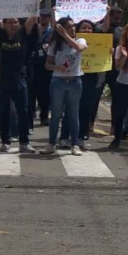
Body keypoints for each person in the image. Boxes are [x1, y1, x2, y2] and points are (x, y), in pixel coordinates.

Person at [43, 17, 88, 155]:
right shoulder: (55, 44)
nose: (72, 29)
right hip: (58, 82)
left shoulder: (80, 40)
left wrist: (65, 35)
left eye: (73, 26)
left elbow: (79, 48)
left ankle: (74, 144)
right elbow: (47, 64)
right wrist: (57, 67)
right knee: (56, 114)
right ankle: (51, 143)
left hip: (75, 81)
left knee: (73, 114)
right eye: (68, 27)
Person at [0, 16, 39, 153]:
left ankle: (24, 142)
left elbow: (32, 18)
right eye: (9, 23)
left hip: (19, 76)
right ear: (4, 24)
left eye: (15, 22)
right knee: (3, 110)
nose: (13, 25)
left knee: (23, 110)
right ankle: (5, 141)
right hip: (2, 77)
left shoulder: (23, 34)